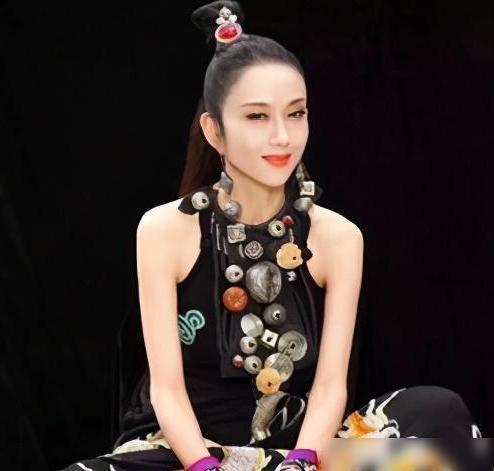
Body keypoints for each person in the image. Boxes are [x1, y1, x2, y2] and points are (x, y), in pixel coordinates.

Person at [60, 2, 484, 470]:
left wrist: (301, 461)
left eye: (296, 114)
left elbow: (330, 387)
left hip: (300, 454)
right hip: (191, 455)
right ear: (214, 131)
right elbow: (167, 391)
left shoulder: (339, 237)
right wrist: (203, 466)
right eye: (257, 117)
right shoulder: (165, 230)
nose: (283, 136)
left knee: (439, 413)